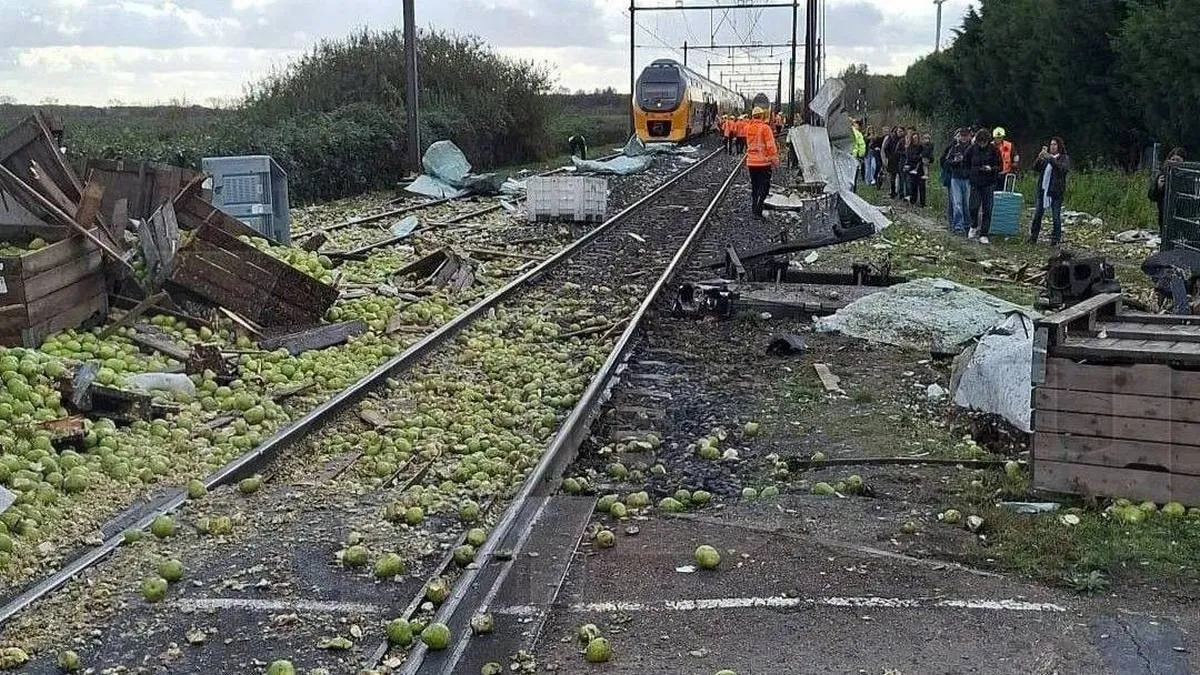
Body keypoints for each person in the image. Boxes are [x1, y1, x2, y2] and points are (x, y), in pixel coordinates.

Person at [1029, 136, 1072, 246]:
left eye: (1054, 144)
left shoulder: (1064, 158)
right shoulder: (1046, 158)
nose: (1052, 147)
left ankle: (1056, 238)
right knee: (1038, 213)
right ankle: (1033, 236)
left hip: (1056, 191)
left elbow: (1062, 170)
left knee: (1055, 216)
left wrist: (1050, 159)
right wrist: (1039, 158)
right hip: (1043, 190)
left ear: (1059, 146)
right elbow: (1035, 168)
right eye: (1051, 144)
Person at [966, 128, 1001, 243]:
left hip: (989, 183)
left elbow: (999, 166)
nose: (982, 145)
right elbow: (965, 162)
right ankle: (974, 225)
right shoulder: (972, 149)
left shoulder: (994, 150)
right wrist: (970, 174)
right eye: (980, 142)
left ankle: (984, 233)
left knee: (988, 208)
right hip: (975, 182)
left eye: (984, 142)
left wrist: (991, 169)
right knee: (973, 206)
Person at [745, 107, 780, 219]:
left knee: (755, 187)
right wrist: (775, 160)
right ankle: (758, 210)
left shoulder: (748, 128)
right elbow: (770, 146)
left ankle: (754, 207)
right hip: (763, 163)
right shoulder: (765, 128)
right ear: (762, 115)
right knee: (764, 188)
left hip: (751, 162)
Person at [941, 127, 973, 235]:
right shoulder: (954, 148)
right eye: (962, 135)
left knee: (967, 204)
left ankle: (968, 225)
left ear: (969, 136)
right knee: (957, 203)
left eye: (965, 135)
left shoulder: (973, 148)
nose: (963, 137)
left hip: (968, 179)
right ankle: (958, 226)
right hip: (955, 178)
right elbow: (946, 161)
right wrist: (955, 161)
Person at [1150, 147, 1186, 230]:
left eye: (1178, 160)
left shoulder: (1187, 177)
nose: (1175, 163)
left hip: (1182, 219)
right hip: (1164, 218)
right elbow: (1151, 196)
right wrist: (1158, 187)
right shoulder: (1163, 175)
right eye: (1173, 159)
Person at [903, 130, 926, 207]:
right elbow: (910, 157)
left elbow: (926, 156)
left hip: (920, 168)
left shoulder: (922, 147)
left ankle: (923, 203)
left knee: (922, 186)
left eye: (916, 138)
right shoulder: (909, 147)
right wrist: (918, 157)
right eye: (914, 138)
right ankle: (913, 200)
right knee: (913, 185)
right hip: (912, 168)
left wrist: (921, 157)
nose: (915, 139)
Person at [992, 127, 1019, 192]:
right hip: (993, 174)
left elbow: (1015, 156)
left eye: (1000, 137)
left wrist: (1015, 163)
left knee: (1006, 193)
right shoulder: (990, 146)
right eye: (997, 137)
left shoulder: (1009, 145)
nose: (998, 139)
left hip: (1007, 174)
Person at [884, 126, 905, 199]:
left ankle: (900, 193)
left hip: (901, 160)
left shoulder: (905, 139)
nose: (900, 133)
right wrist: (889, 157)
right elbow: (885, 148)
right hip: (892, 160)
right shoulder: (891, 138)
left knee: (901, 178)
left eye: (901, 131)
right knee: (893, 177)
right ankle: (892, 192)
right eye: (899, 131)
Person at [851, 117, 866, 191]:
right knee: (854, 177)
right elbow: (862, 145)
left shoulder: (847, 132)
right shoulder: (858, 133)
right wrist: (861, 155)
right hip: (854, 157)